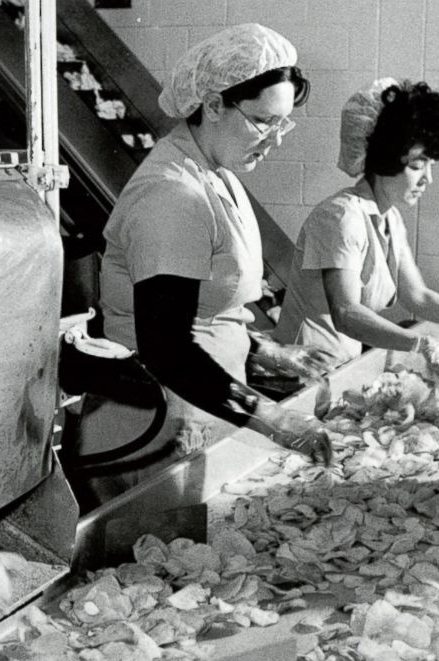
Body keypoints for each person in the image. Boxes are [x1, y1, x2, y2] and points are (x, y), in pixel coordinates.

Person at [75, 24, 332, 501]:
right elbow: (166, 345)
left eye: (283, 123)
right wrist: (271, 417)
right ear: (213, 105)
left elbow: (204, 307)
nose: (274, 140)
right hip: (151, 422)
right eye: (262, 122)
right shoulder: (173, 194)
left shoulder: (220, 176)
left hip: (198, 405)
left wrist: (264, 351)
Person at [273, 78, 439, 368]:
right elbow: (346, 312)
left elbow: (417, 296)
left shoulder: (390, 217)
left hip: (340, 365)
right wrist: (420, 344)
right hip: (299, 371)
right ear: (383, 159)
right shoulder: (340, 217)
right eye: (417, 165)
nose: (428, 179)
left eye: (431, 165)